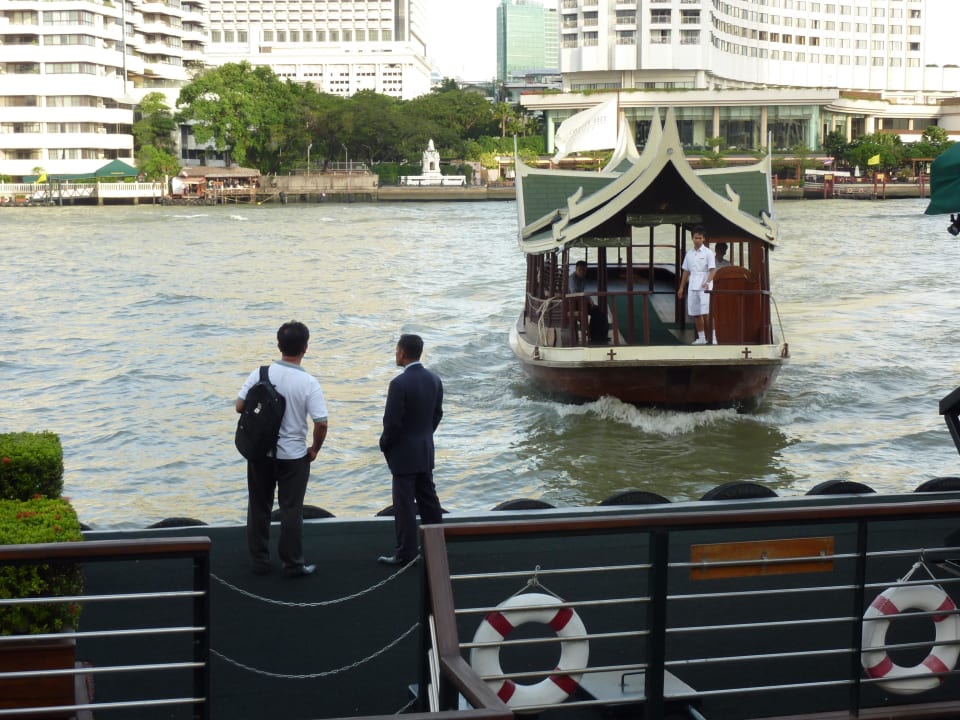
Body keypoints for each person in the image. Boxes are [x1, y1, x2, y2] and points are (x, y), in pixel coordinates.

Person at [236, 321, 328, 578]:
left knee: (258, 506)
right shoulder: (308, 382)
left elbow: (239, 406)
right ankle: (293, 563)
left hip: (260, 453)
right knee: (291, 510)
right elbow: (321, 423)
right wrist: (314, 449)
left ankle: (260, 561)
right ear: (305, 348)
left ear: (279, 345)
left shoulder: (260, 374)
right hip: (294, 456)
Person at [378, 334, 444, 565]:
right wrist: (425, 435)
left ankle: (406, 552)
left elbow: (392, 423)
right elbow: (437, 415)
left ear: (403, 353)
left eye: (397, 350)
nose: (396, 354)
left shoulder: (398, 384)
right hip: (425, 449)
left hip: (403, 454)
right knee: (429, 500)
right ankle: (436, 546)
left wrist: (385, 443)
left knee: (404, 504)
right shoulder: (434, 380)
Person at [677, 226, 717, 345]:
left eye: (700, 238)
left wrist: (708, 282)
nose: (697, 240)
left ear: (703, 239)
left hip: (705, 285)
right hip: (693, 284)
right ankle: (701, 338)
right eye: (695, 238)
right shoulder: (689, 253)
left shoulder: (708, 253)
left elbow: (713, 270)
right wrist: (681, 287)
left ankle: (713, 338)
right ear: (692, 238)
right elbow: (685, 271)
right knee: (696, 313)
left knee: (706, 312)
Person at [569, 260, 608, 343]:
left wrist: (588, 298)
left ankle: (600, 335)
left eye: (584, 270)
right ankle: (594, 335)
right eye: (580, 270)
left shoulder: (582, 278)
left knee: (600, 312)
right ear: (576, 269)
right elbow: (575, 293)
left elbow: (582, 292)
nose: (582, 272)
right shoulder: (572, 279)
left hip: (582, 302)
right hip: (574, 304)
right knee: (596, 312)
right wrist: (587, 299)